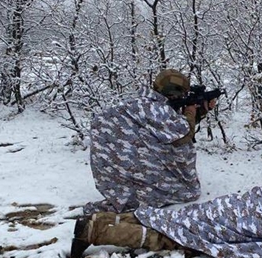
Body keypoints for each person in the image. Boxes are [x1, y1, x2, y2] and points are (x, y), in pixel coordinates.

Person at [71, 164, 262, 258]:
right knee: (164, 238)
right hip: (219, 228)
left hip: (215, 210)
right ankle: (95, 231)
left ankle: (103, 219)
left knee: (167, 219)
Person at [83, 69, 215, 216]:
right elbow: (182, 135)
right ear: (173, 92)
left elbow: (171, 128)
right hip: (131, 182)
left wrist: (199, 110)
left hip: (113, 181)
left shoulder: (139, 103)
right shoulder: (155, 108)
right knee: (190, 192)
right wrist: (191, 110)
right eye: (182, 94)